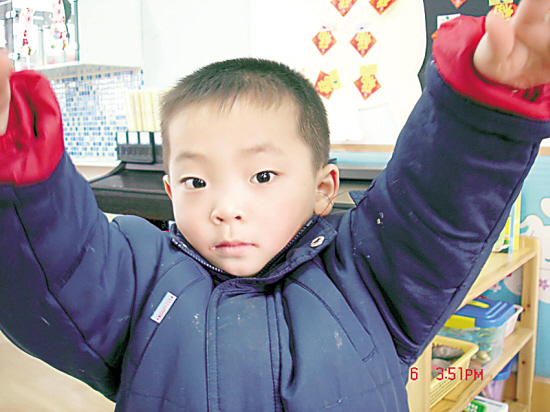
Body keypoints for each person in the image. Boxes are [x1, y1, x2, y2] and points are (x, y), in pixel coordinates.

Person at [1, 0, 550, 410]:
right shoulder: (140, 280)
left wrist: (486, 112)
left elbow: (435, 212)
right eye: (196, 180)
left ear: (323, 188)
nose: (225, 207)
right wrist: (14, 162)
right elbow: (54, 266)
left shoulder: (367, 278)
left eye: (262, 176)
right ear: (169, 191)